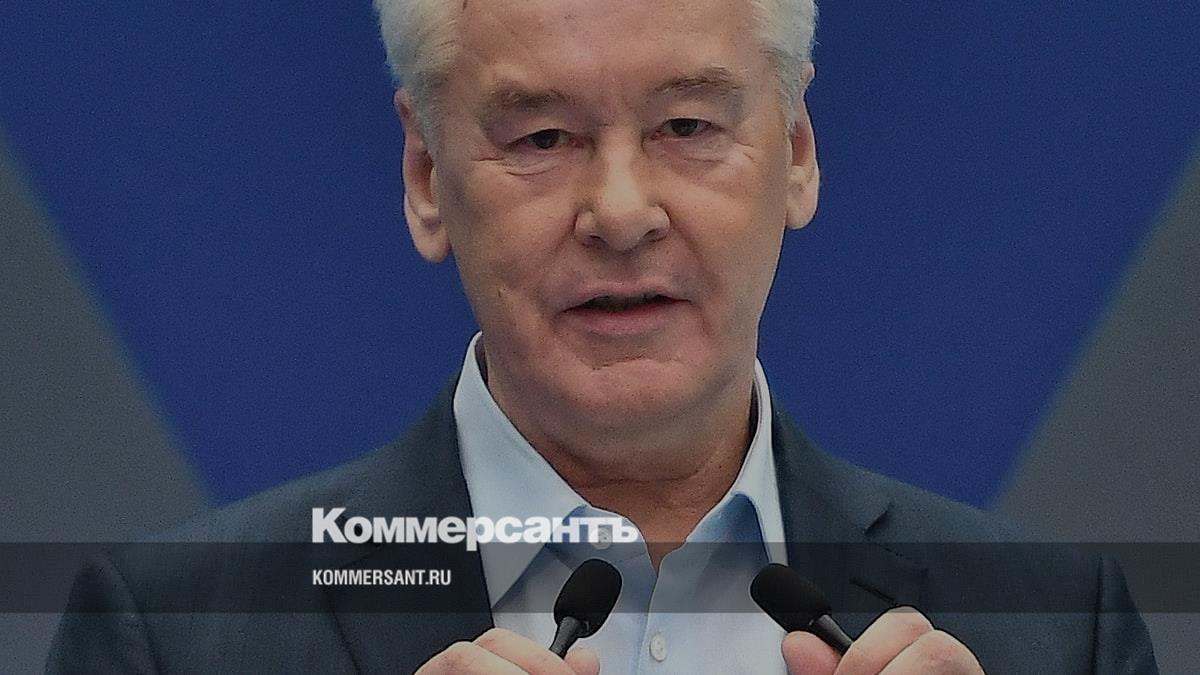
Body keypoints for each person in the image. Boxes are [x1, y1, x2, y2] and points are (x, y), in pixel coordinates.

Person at [49, 0, 1158, 673]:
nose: (621, 212)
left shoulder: (1055, 632)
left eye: (687, 125)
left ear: (798, 152)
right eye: (542, 137)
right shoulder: (174, 635)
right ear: (426, 175)